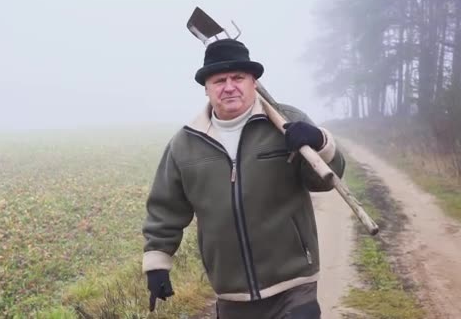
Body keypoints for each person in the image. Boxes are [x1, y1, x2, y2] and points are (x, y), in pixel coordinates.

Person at [141, 38, 346, 318]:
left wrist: (320, 142)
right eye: (219, 80)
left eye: (238, 77)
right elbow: (166, 208)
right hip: (231, 293)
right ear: (206, 88)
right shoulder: (185, 144)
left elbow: (323, 181)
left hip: (294, 285)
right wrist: (157, 263)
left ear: (254, 82)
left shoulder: (286, 123)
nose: (229, 87)